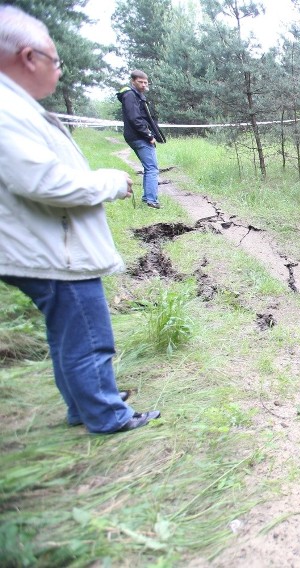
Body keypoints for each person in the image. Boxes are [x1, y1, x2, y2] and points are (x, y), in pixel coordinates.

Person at [0, 5, 160, 433]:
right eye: (56, 60)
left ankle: (84, 403)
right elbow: (44, 182)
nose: (58, 69)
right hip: (54, 249)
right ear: (28, 57)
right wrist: (108, 182)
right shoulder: (6, 111)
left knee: (69, 334)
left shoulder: (16, 106)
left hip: (46, 243)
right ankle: (105, 414)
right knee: (89, 336)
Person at [117, 69, 166, 209]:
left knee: (148, 167)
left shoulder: (136, 96)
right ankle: (151, 200)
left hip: (135, 136)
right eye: (140, 82)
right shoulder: (130, 96)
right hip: (139, 137)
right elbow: (135, 118)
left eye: (146, 82)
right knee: (152, 168)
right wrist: (148, 135)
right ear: (133, 81)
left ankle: (147, 198)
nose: (144, 85)